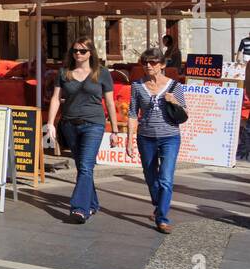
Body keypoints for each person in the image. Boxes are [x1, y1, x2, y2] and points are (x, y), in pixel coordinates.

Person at [46, 36, 121, 223]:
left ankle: (79, 209)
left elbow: (110, 102)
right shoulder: (64, 73)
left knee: (86, 166)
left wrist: (115, 130)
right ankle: (93, 203)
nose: (78, 54)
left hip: (94, 124)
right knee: (82, 166)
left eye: (82, 51)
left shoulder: (101, 73)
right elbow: (56, 98)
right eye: (75, 51)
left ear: (90, 53)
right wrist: (50, 124)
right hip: (70, 124)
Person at [127, 47, 187, 234]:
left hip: (170, 136)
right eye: (145, 62)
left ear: (162, 65)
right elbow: (132, 113)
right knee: (151, 177)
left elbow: (184, 113)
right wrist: (129, 139)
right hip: (146, 137)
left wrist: (174, 101)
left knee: (166, 179)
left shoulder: (175, 86)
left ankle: (162, 218)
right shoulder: (137, 86)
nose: (148, 66)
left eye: (152, 62)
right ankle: (158, 204)